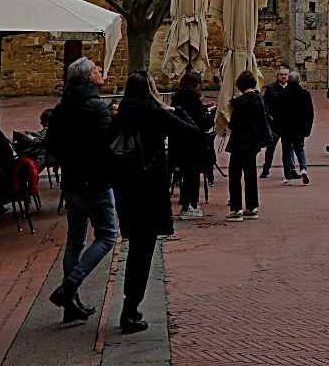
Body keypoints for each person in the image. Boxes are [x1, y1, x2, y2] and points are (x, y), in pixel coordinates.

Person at [107, 70, 204, 334]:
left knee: (135, 249)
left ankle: (130, 307)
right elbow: (193, 132)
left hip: (128, 192)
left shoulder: (121, 114)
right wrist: (177, 110)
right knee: (143, 253)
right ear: (150, 88)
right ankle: (129, 311)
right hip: (150, 191)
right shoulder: (156, 113)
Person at [46, 56, 115, 324]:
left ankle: (70, 304)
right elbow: (108, 144)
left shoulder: (62, 109)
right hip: (94, 183)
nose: (101, 71)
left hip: (71, 183)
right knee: (107, 236)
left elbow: (52, 145)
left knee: (75, 241)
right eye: (97, 69)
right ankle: (69, 286)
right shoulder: (97, 108)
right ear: (87, 77)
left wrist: (70, 161)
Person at [225, 71, 274, 218]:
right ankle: (252, 207)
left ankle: (236, 209)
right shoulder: (260, 98)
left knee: (235, 176)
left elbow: (233, 124)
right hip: (253, 142)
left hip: (239, 142)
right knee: (251, 174)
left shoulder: (239, 102)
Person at [171, 71, 215, 218]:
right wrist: (210, 115)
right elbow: (203, 123)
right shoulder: (194, 100)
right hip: (194, 142)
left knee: (185, 174)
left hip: (178, 141)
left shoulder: (176, 99)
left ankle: (186, 204)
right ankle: (190, 205)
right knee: (193, 175)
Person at [272, 68, 314, 183]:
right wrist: (309, 128)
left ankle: (288, 176)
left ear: (288, 81)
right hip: (300, 127)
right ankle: (303, 168)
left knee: (286, 151)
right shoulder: (305, 94)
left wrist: (276, 128)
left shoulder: (282, 94)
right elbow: (310, 113)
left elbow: (278, 113)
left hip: (286, 128)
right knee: (299, 148)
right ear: (299, 81)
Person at [259, 66, 289, 178]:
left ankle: (290, 170)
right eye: (281, 74)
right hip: (274, 124)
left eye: (285, 74)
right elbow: (265, 107)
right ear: (277, 76)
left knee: (288, 149)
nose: (283, 76)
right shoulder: (271, 88)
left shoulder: (290, 88)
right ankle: (266, 169)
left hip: (287, 125)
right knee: (270, 148)